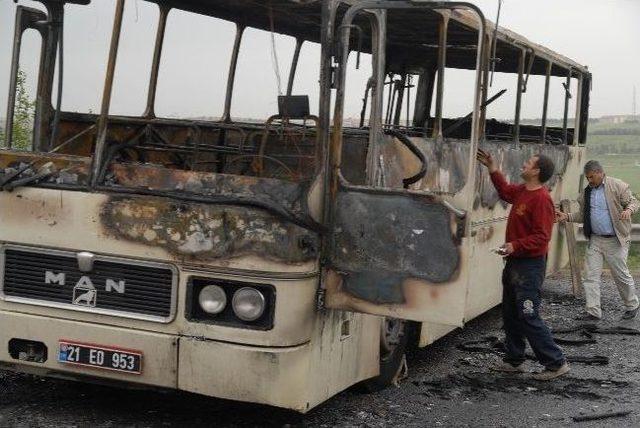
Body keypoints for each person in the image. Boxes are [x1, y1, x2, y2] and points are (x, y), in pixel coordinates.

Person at [477, 149, 569, 381]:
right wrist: (492, 168)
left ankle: (556, 363)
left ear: (536, 171)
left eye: (528, 163)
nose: (524, 165)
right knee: (510, 312)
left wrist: (514, 245)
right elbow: (505, 191)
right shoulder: (522, 191)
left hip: (530, 266)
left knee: (528, 313)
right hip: (515, 263)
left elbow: (542, 237)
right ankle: (514, 360)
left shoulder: (541, 199)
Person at [555, 160, 639, 320]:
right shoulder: (586, 192)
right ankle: (593, 312)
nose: (589, 181)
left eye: (592, 177)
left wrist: (629, 210)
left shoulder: (617, 185)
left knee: (620, 275)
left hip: (615, 240)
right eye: (587, 178)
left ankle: (632, 305)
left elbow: (634, 201)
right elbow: (582, 216)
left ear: (600, 173)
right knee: (590, 276)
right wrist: (566, 217)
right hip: (595, 240)